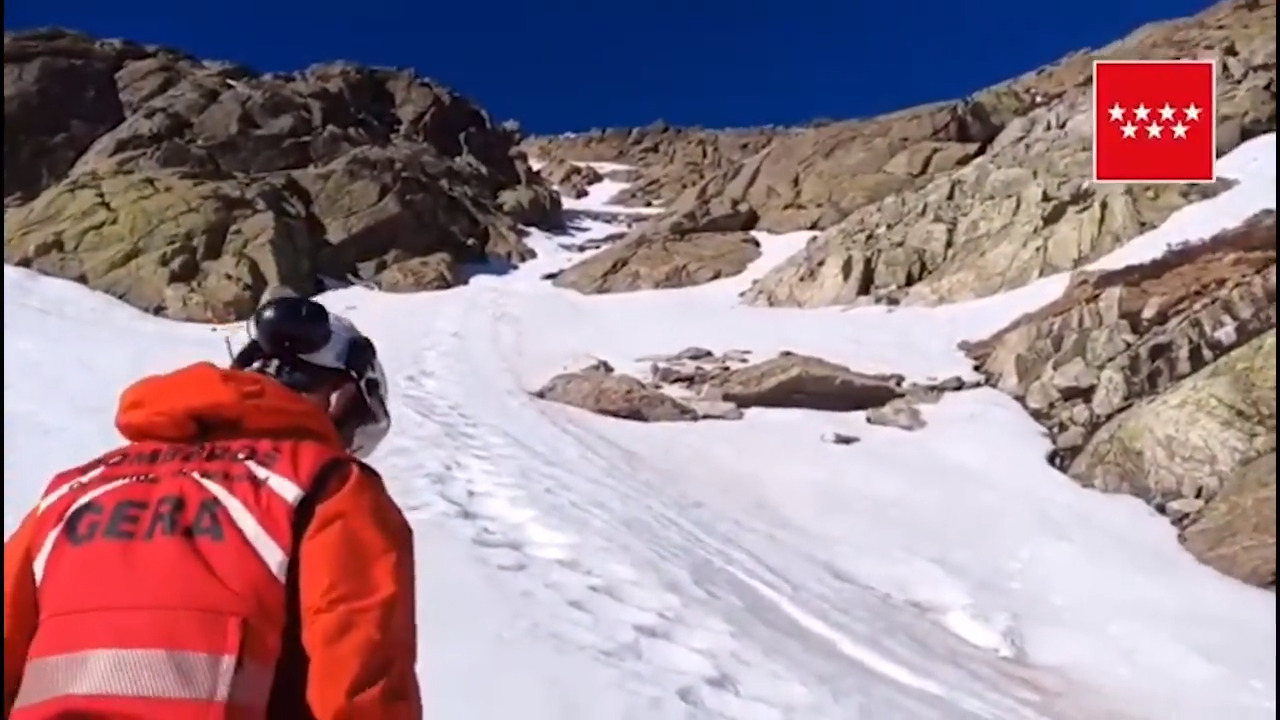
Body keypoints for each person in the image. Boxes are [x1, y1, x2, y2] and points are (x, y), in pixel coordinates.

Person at [3, 293, 422, 720]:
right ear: (340, 400)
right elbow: (362, 679)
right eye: (353, 431)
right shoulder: (329, 486)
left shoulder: (74, 489)